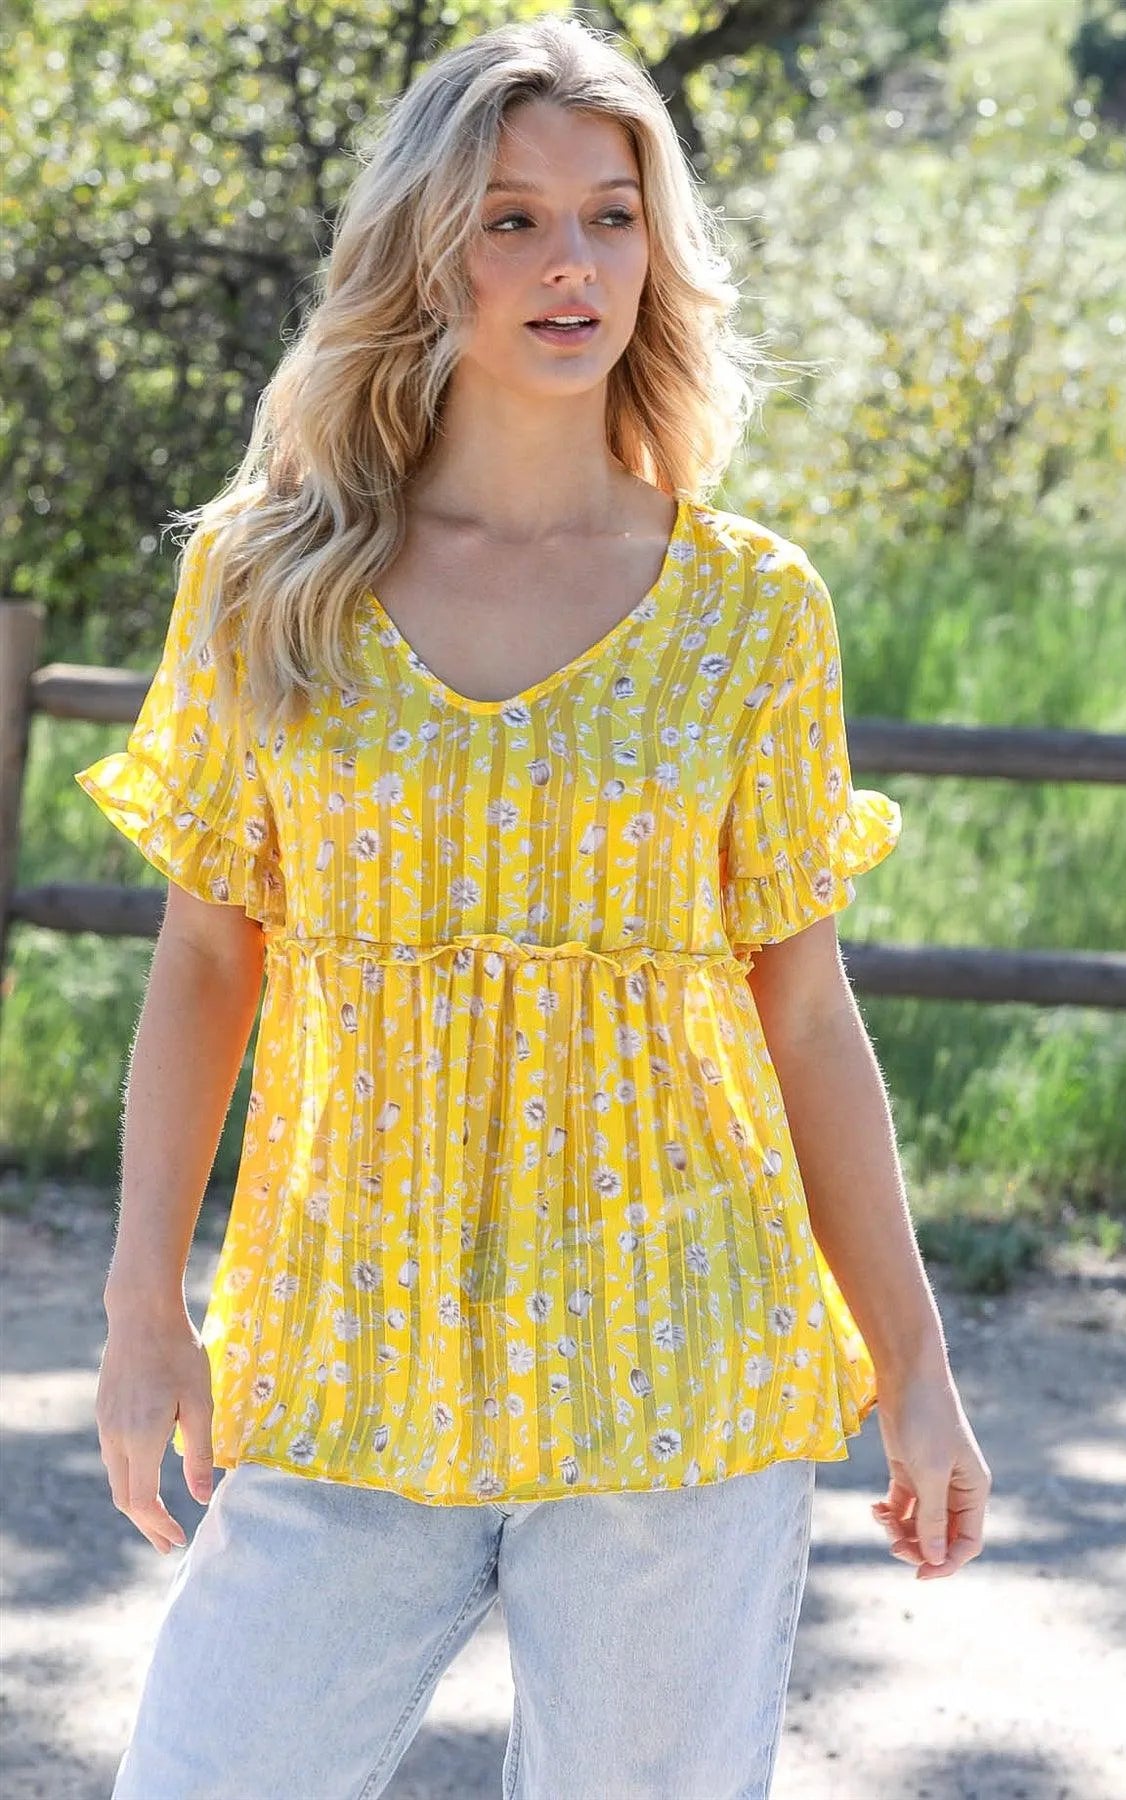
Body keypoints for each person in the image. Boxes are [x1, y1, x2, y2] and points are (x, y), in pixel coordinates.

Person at [75, 14, 991, 1798]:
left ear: (657, 251)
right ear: (429, 250)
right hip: (344, 1343)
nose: (572, 264)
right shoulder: (269, 582)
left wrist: (917, 1368)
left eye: (610, 217)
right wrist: (141, 1307)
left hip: (677, 1356)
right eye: (512, 219)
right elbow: (205, 957)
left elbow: (805, 1012)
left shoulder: (751, 610)